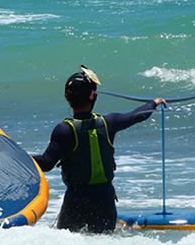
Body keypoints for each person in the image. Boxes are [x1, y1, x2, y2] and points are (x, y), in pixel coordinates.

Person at [33, 65, 167, 234]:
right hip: (105, 201)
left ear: (67, 97)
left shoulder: (64, 130)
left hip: (76, 201)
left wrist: (19, 157)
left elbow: (46, 164)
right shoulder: (109, 123)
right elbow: (137, 115)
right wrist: (153, 103)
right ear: (93, 96)